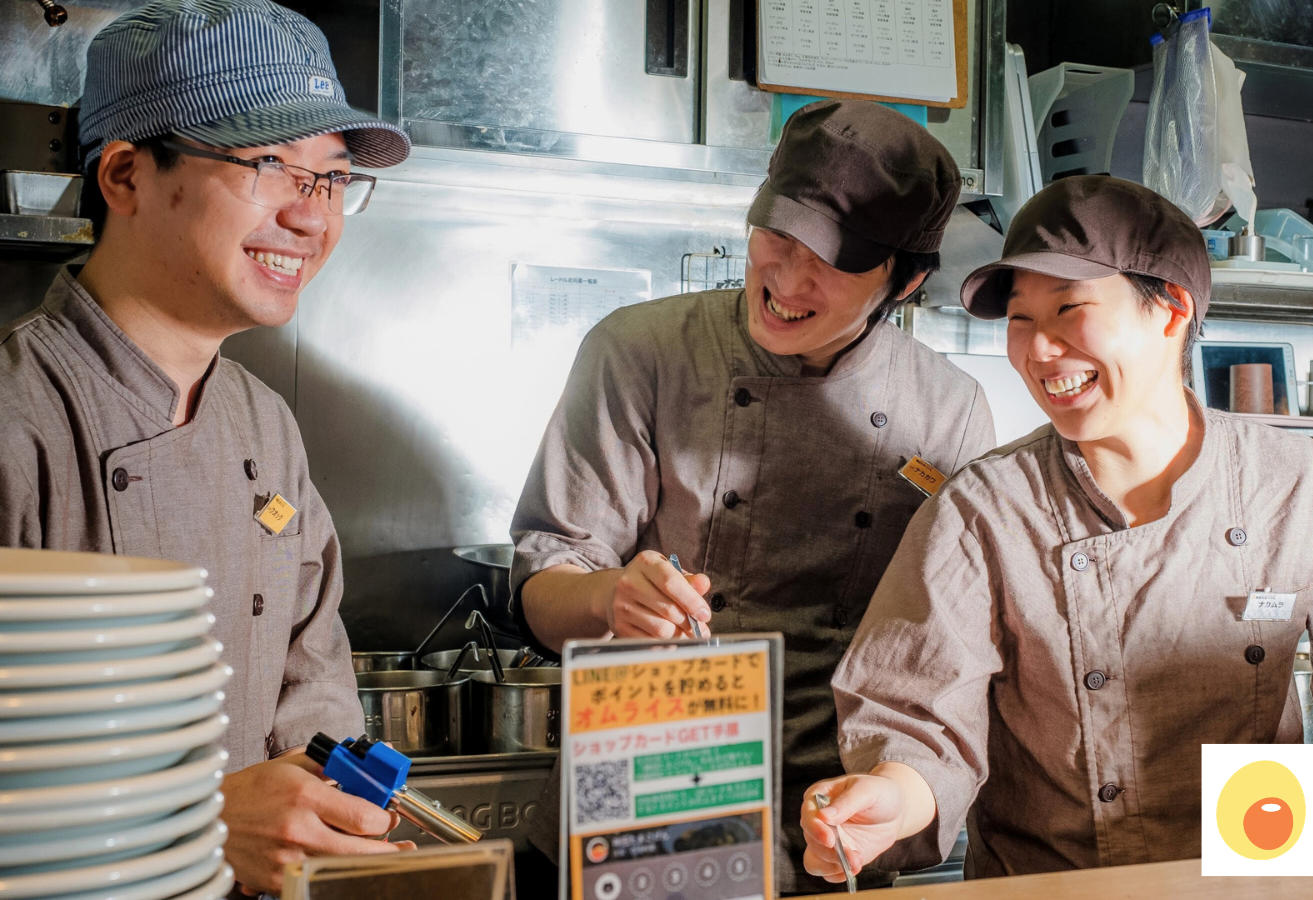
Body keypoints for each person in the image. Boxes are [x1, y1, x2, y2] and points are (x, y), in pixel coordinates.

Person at [799, 176, 1313, 883]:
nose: (1039, 350)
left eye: (1069, 309)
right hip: (1054, 891)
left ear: (1171, 312)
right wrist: (889, 802)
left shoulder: (1290, 481)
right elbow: (917, 718)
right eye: (1020, 319)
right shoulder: (985, 508)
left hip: (1256, 880)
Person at [510, 99, 996, 892]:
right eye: (780, 235)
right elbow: (542, 586)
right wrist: (608, 599)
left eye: (835, 262)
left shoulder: (949, 411)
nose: (789, 280)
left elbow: (946, 652)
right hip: (643, 801)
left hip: (832, 817)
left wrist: (905, 793)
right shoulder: (641, 352)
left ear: (906, 281)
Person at [0, 1, 413, 894]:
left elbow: (314, 684)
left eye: (333, 180)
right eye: (271, 166)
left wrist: (336, 815)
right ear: (125, 175)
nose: (312, 217)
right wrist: (199, 824)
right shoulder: (17, 414)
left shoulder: (265, 424)